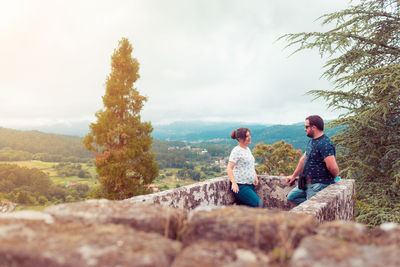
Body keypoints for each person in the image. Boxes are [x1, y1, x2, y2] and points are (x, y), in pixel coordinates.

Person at [286, 115, 339, 204]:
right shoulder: (312, 141)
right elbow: (303, 159)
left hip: (318, 184)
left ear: (313, 127)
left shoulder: (325, 144)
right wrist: (293, 176)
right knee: (291, 197)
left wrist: (334, 177)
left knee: (311, 208)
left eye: (307, 127)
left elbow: (332, 167)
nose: (305, 129)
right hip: (306, 183)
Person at [226, 127, 264, 208]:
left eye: (249, 135)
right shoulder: (236, 150)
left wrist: (255, 176)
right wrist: (234, 183)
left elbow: (250, 165)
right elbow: (229, 168)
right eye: (246, 136)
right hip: (241, 186)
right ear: (240, 139)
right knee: (260, 205)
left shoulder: (247, 149)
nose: (249, 137)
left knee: (248, 208)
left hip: (250, 185)